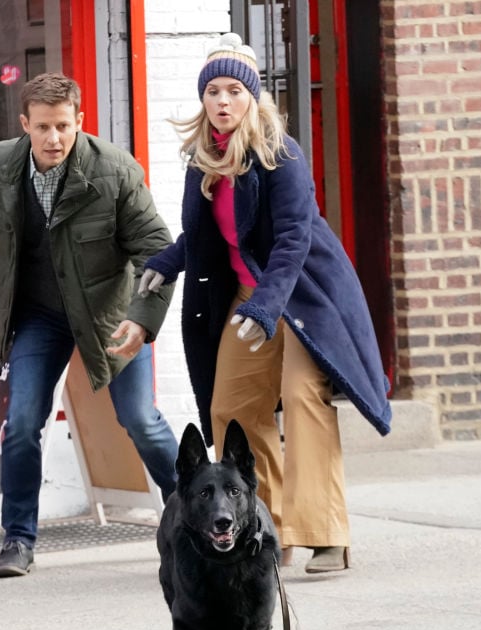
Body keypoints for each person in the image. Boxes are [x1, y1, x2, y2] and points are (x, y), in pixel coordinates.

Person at [139, 34, 391, 574]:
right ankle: (266, 526)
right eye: (213, 91)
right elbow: (211, 235)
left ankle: (325, 533)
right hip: (248, 295)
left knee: (302, 397)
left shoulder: (281, 153)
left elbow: (294, 237)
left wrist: (267, 305)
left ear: (253, 97)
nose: (222, 101)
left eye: (234, 90)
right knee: (230, 407)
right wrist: (168, 260)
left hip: (301, 293)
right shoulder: (204, 159)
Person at [0, 72, 179, 579]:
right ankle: (17, 540)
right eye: (42, 127)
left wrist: (142, 321)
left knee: (140, 421)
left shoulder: (115, 171)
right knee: (19, 426)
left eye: (63, 125)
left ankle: (189, 516)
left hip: (110, 312)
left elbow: (157, 252)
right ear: (25, 125)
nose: (54, 138)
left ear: (80, 121)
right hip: (38, 314)